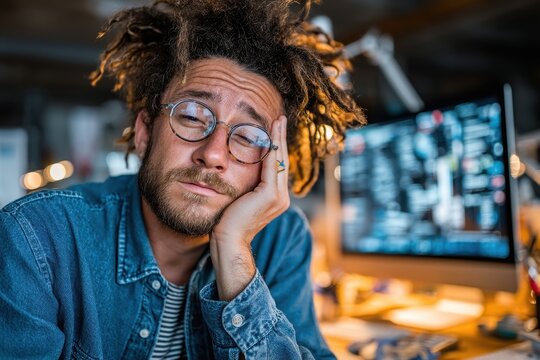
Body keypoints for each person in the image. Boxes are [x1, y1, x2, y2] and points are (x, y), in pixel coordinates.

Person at [0, 0, 365, 358]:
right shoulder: (34, 239)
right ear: (145, 132)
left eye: (249, 137)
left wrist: (234, 253)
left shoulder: (282, 239)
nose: (214, 153)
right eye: (191, 116)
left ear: (272, 164)